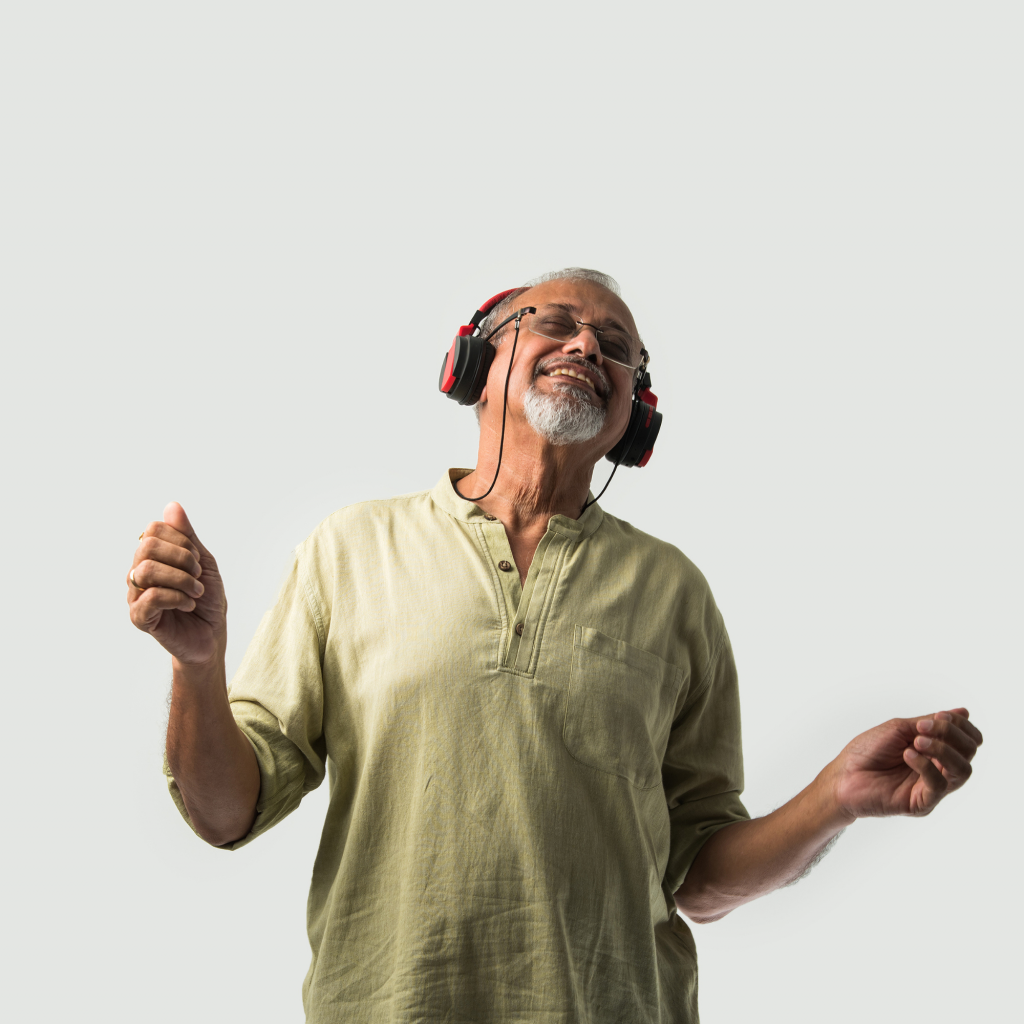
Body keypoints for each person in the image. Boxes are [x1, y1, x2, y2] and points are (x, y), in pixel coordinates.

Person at [126, 268, 983, 1023]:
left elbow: (699, 880)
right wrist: (197, 667)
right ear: (475, 364)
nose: (587, 345)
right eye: (556, 322)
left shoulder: (674, 592)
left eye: (617, 347)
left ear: (635, 418)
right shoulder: (348, 548)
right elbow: (224, 811)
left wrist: (835, 797)